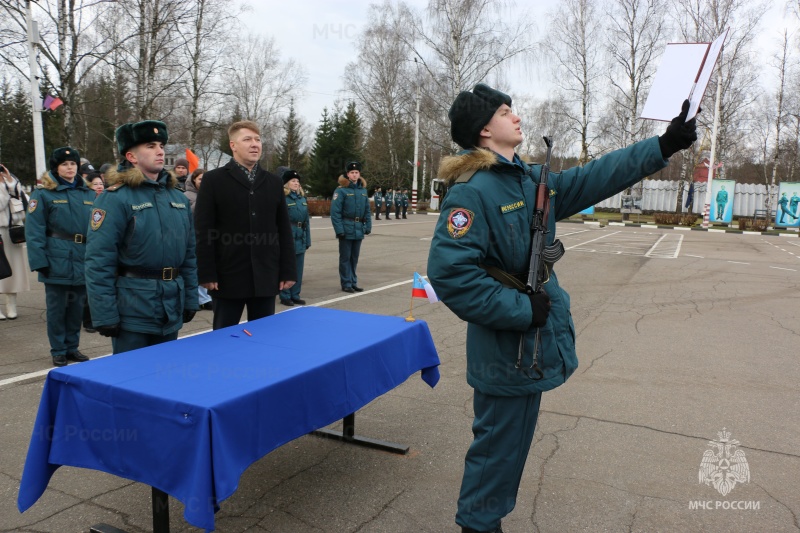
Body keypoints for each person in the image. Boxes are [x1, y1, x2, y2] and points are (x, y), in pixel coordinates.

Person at [427, 83, 698, 533]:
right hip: (505, 348)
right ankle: (478, 526)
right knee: (496, 450)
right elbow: (452, 276)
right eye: (504, 111)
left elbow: (596, 176)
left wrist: (663, 145)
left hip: (530, 346)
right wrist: (521, 309)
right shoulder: (471, 193)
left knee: (510, 450)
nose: (515, 116)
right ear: (484, 131)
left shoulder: (529, 180)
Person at [84, 120, 199, 354]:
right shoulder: (115, 198)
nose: (159, 151)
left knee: (165, 377)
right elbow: (99, 260)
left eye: (161, 145)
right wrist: (105, 313)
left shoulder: (177, 198)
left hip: (171, 305)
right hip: (133, 309)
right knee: (131, 382)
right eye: (150, 145)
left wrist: (190, 298)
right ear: (131, 156)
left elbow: (189, 254)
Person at [194, 120, 296, 330]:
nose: (254, 144)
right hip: (227, 277)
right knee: (224, 338)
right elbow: (204, 230)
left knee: (263, 337)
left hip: (266, 276)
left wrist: (288, 270)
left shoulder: (273, 182)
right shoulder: (214, 181)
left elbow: (284, 229)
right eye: (247, 139)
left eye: (258, 140)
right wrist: (206, 272)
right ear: (233, 145)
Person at [26, 147, 96, 366]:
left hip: (82, 257)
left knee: (76, 308)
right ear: (55, 167)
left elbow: (97, 228)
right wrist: (39, 261)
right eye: (65, 164)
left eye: (73, 164)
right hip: (56, 258)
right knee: (57, 309)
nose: (69, 168)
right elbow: (34, 229)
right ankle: (58, 349)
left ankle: (72, 347)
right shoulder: (43, 194)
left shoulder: (88, 194)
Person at [331, 160, 371, 293]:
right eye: (352, 172)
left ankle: (353, 281)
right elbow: (335, 213)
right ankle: (346, 283)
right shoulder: (341, 191)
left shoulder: (362, 191)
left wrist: (368, 225)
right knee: (345, 258)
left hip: (358, 228)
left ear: (359, 174)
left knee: (354, 258)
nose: (354, 175)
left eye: (357, 172)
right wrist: (339, 230)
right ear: (347, 174)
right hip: (346, 228)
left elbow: (367, 210)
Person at [0, 163, 31, 320]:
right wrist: (6, 189)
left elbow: (25, 200)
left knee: (14, 268)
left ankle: (11, 304)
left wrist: (10, 181)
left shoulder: (11, 181)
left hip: (13, 230)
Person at [276, 167, 311, 306]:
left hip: (300, 236)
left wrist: (307, 239)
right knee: (286, 267)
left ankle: (295, 294)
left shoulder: (302, 199)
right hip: (288, 235)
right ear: (286, 184)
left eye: (297, 181)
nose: (296, 183)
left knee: (298, 268)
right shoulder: (283, 198)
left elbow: (306, 221)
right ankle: (285, 295)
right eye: (293, 181)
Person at [184, 168, 212, 310]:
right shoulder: (186, 196)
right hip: (193, 236)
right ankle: (200, 298)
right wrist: (203, 198)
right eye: (201, 179)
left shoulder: (211, 194)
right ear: (193, 180)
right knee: (195, 267)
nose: (203, 181)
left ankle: (206, 296)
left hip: (210, 236)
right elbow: (190, 215)